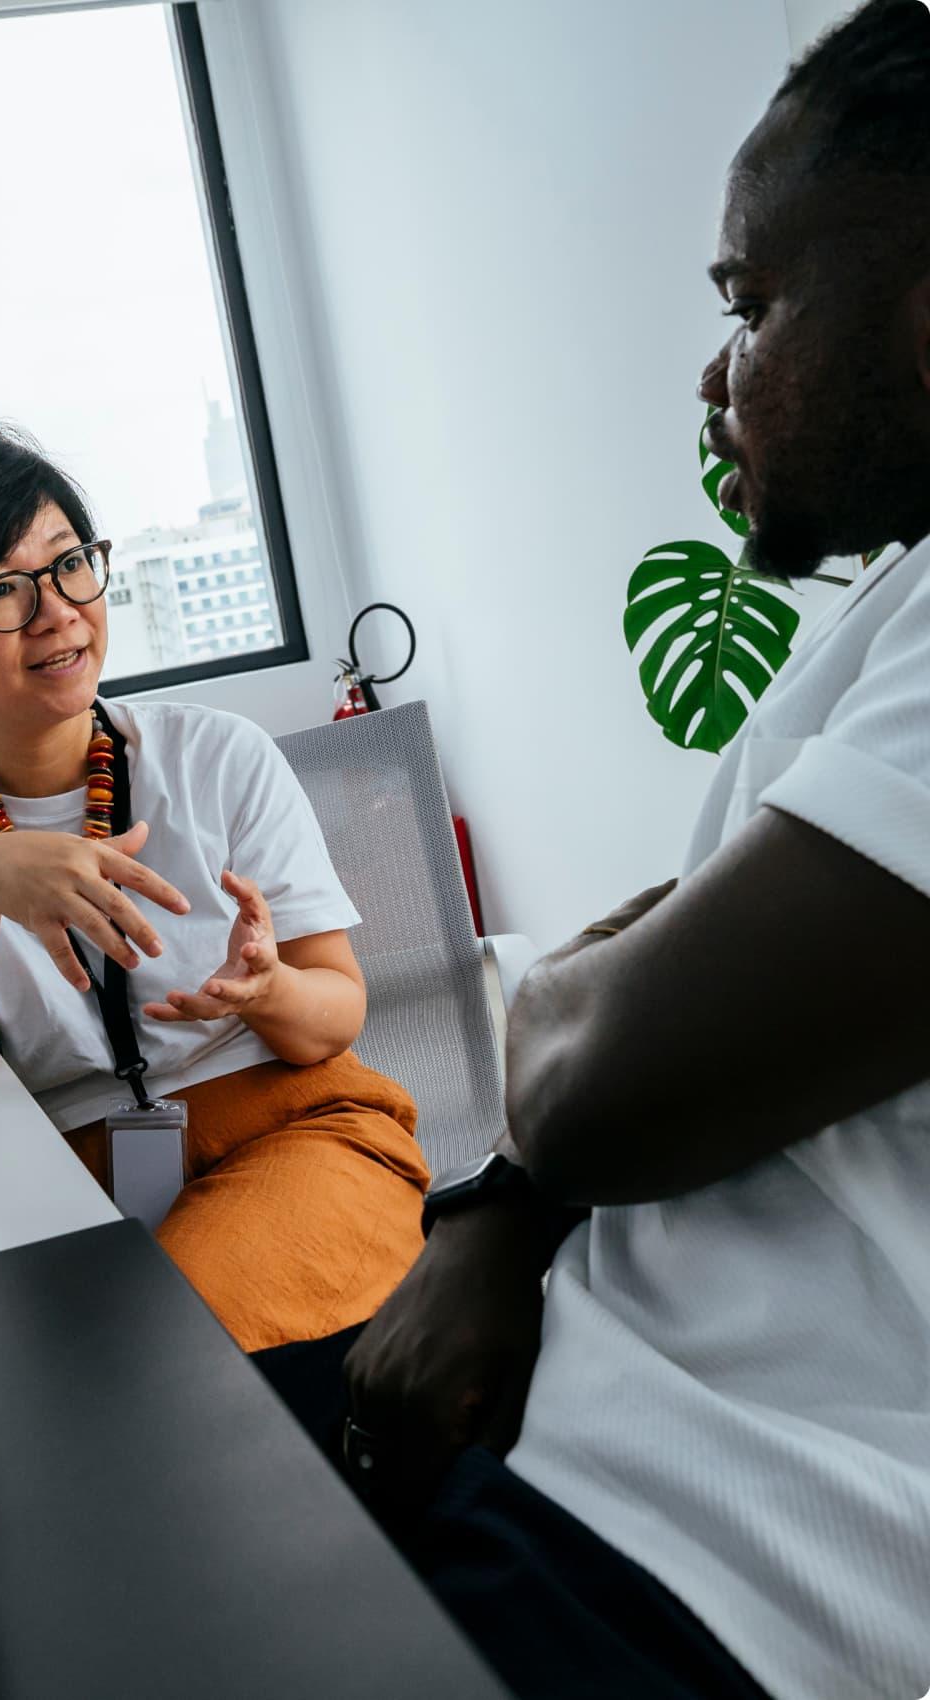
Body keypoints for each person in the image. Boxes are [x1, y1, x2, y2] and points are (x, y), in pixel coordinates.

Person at [333, 4, 930, 1698]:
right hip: (574, 1423)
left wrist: (559, 1035)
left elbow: (600, 1065)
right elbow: (658, 1017)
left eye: (748, 307)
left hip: (719, 1561)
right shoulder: (896, 605)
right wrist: (500, 1217)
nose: (712, 371)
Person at [0, 423, 428, 1352]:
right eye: (1, 590)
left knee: (161, 1357)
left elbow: (335, 1014)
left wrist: (268, 992)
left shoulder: (220, 755)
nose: (58, 610)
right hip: (54, 1180)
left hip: (289, 1131)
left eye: (69, 565)